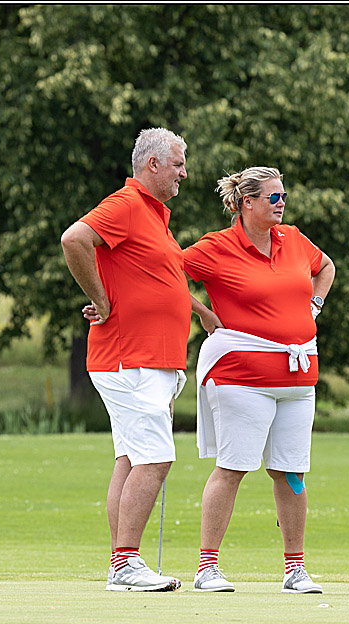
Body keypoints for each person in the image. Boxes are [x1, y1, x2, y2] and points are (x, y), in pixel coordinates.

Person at [61, 127, 221, 592]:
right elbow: (75, 240)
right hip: (130, 358)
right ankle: (124, 564)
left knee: (132, 459)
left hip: (149, 361)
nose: (184, 173)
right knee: (154, 458)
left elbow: (158, 281)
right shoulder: (127, 205)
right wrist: (102, 300)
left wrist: (202, 312)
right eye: (178, 164)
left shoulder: (155, 217)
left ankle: (123, 561)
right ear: (152, 164)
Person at [182, 166, 336, 594]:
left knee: (291, 472)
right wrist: (203, 312)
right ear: (247, 202)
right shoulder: (216, 247)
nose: (281, 203)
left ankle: (295, 569)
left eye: (283, 195)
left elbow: (326, 267)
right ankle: (207, 567)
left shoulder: (294, 240)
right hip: (239, 377)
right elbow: (167, 274)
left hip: (299, 380)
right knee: (233, 467)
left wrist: (315, 305)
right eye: (273, 197)